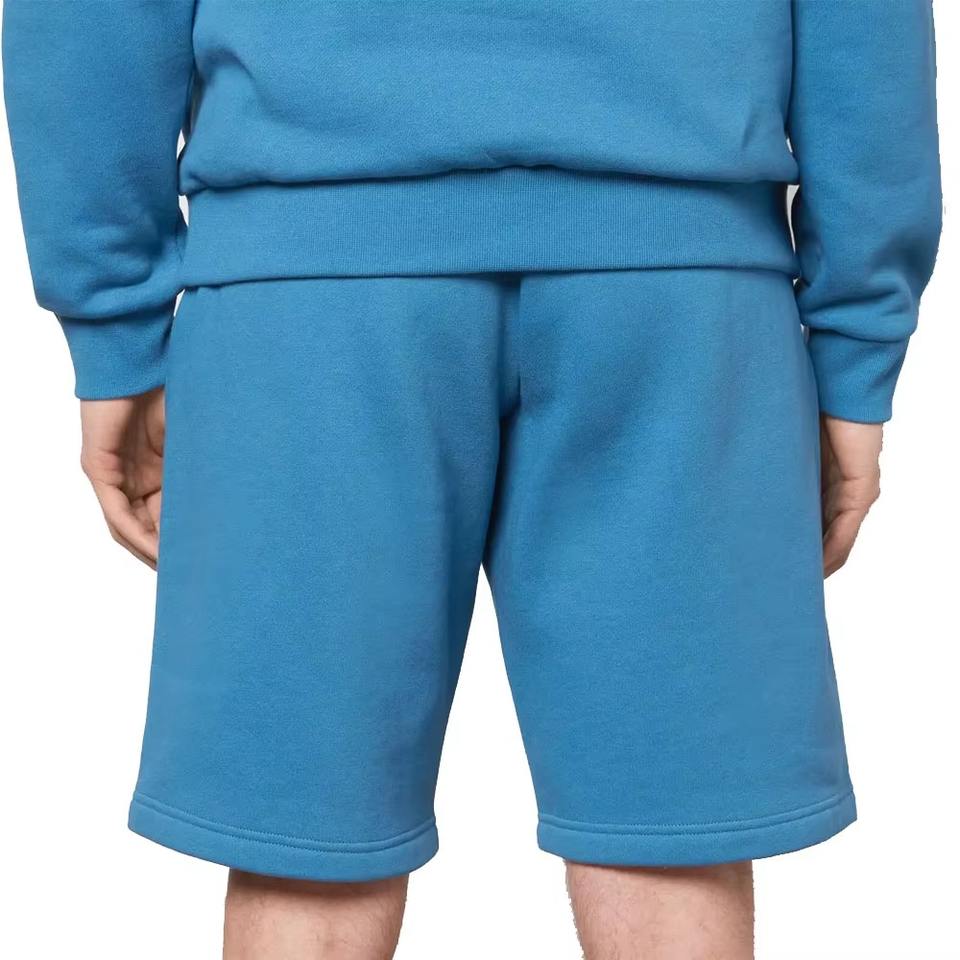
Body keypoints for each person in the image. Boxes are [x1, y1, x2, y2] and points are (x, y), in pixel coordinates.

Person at [3, 2, 941, 957]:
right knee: (672, 842)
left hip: (313, 288)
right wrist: (857, 341)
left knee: (308, 847)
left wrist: (113, 317)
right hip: (680, 288)